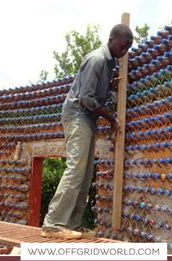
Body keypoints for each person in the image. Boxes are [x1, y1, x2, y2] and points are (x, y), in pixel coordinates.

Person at [41, 24, 133, 239]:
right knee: (76, 169)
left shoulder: (109, 63)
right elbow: (85, 98)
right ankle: (53, 224)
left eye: (128, 48)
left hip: (87, 118)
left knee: (85, 174)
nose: (124, 52)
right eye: (122, 46)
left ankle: (72, 223)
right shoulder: (98, 59)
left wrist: (109, 86)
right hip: (77, 115)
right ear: (111, 40)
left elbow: (94, 91)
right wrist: (112, 119)